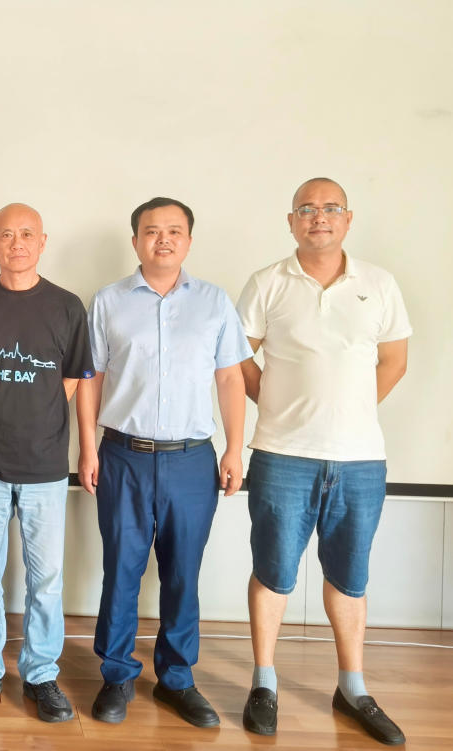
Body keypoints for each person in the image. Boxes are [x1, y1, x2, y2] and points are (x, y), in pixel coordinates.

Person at [237, 178, 411, 745]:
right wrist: (275, 404)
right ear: (291, 221)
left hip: (360, 460)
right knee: (273, 572)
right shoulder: (267, 282)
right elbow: (237, 356)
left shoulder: (379, 284)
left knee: (350, 577)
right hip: (283, 455)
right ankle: (264, 683)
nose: (319, 217)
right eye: (307, 209)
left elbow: (394, 360)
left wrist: (349, 411)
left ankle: (353, 688)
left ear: (348, 219)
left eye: (331, 208)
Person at [77, 197, 249, 729]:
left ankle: (176, 678)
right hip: (123, 455)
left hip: (191, 460)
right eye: (152, 231)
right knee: (121, 569)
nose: (163, 239)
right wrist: (87, 447)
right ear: (135, 241)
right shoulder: (108, 301)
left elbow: (230, 377)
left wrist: (235, 448)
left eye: (175, 231)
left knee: (182, 572)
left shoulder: (215, 302)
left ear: (189, 241)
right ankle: (117, 675)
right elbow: (90, 379)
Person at [0, 203, 92, 723]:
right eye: (6, 235)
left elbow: (72, 379)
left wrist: (38, 415)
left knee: (46, 579)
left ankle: (41, 674)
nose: (16, 243)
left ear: (42, 241)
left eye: (27, 234)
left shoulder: (67, 307)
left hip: (46, 464)